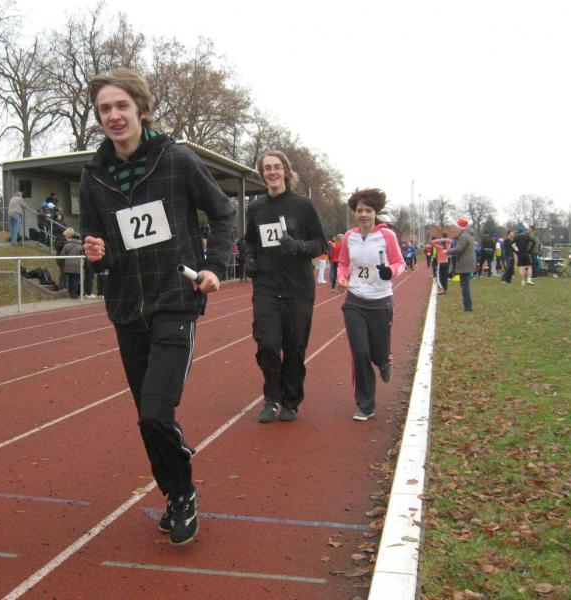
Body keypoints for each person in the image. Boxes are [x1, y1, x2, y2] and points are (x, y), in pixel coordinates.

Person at [79, 68, 234, 546]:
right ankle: (175, 493)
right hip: (127, 306)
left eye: (121, 106)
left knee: (155, 412)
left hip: (175, 299)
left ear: (141, 110)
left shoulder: (177, 160)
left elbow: (223, 212)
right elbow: (99, 241)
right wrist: (96, 253)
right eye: (105, 109)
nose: (113, 115)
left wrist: (213, 265)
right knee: (146, 415)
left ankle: (182, 491)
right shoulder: (94, 175)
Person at [244, 150, 327, 424]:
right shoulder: (256, 209)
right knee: (267, 344)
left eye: (277, 167)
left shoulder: (303, 206)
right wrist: (250, 260)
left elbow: (321, 243)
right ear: (262, 174)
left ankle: (291, 401)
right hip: (266, 286)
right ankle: (272, 398)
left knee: (295, 348)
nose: (272, 172)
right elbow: (250, 242)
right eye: (267, 168)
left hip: (298, 289)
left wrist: (298, 246)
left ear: (286, 171)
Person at [336, 188, 405, 421]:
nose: (363, 214)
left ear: (376, 212)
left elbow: (400, 262)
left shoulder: (387, 236)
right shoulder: (349, 237)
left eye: (368, 210)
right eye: (359, 210)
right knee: (360, 352)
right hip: (355, 301)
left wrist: (390, 271)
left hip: (380, 302)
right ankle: (366, 405)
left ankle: (384, 360)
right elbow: (343, 263)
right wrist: (342, 277)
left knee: (378, 351)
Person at [445, 218, 475, 311]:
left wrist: (447, 251)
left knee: (464, 286)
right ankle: (468, 305)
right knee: (465, 285)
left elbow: (459, 249)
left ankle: (467, 306)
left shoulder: (464, 236)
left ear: (460, 227)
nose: (455, 229)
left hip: (464, 263)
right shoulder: (469, 235)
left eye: (456, 227)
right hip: (468, 263)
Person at [60, 228, 83, 298]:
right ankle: (74, 295)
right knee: (75, 280)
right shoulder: (80, 246)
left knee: (70, 279)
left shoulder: (67, 245)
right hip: (77, 265)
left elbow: (62, 254)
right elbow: (83, 255)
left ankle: (70, 294)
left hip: (68, 266)